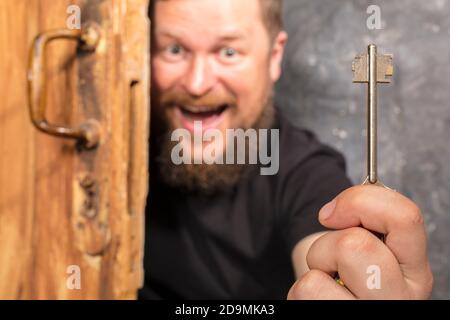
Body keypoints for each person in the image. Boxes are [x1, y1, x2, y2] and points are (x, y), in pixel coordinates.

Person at [138, 0, 433, 299]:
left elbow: (326, 252)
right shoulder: (120, 146)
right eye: (174, 50)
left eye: (228, 52)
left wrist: (355, 282)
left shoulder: (308, 176)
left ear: (274, 56)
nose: (197, 84)